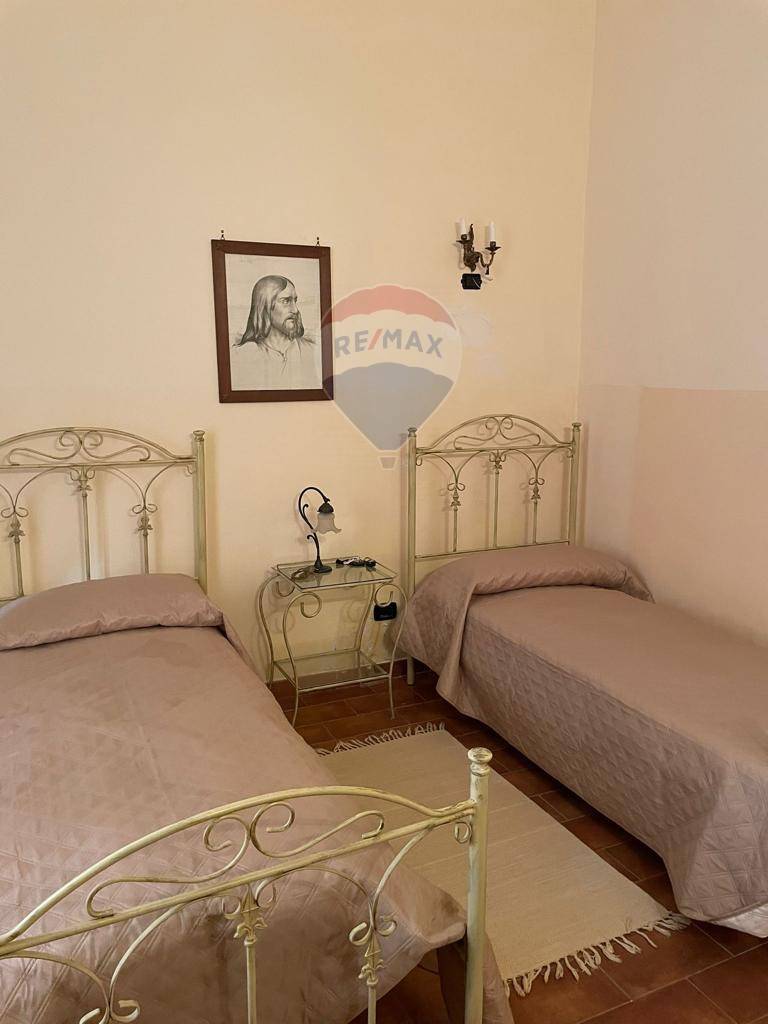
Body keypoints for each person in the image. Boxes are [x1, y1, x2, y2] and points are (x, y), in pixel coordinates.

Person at [230, 275, 319, 390]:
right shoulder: (242, 356)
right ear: (264, 306)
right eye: (286, 301)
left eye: (295, 301)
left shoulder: (312, 351)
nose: (295, 310)